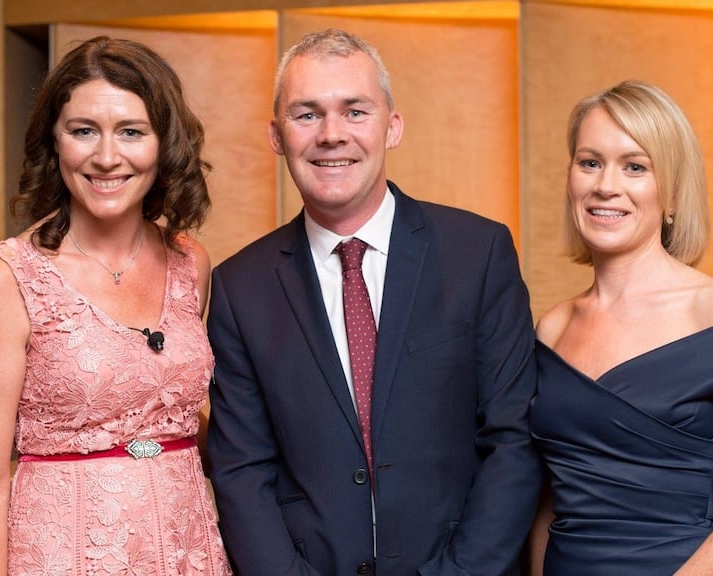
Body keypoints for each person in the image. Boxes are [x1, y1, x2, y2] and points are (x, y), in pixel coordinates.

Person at [206, 28, 541, 576]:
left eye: (355, 111)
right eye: (307, 114)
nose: (331, 135)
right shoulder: (241, 287)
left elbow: (513, 441)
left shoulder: (478, 253)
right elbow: (242, 472)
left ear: (393, 126)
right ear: (276, 135)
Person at [0, 36, 231, 575]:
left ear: (164, 143)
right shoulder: (4, 278)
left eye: (131, 131)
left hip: (187, 552)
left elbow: (160, 408)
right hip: (63, 556)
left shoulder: (189, 263)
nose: (106, 157)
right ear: (54, 142)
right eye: (83, 131)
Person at [528, 80, 713, 575]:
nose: (606, 185)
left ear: (671, 193)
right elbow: (548, 503)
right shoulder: (553, 328)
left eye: (635, 167)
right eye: (590, 162)